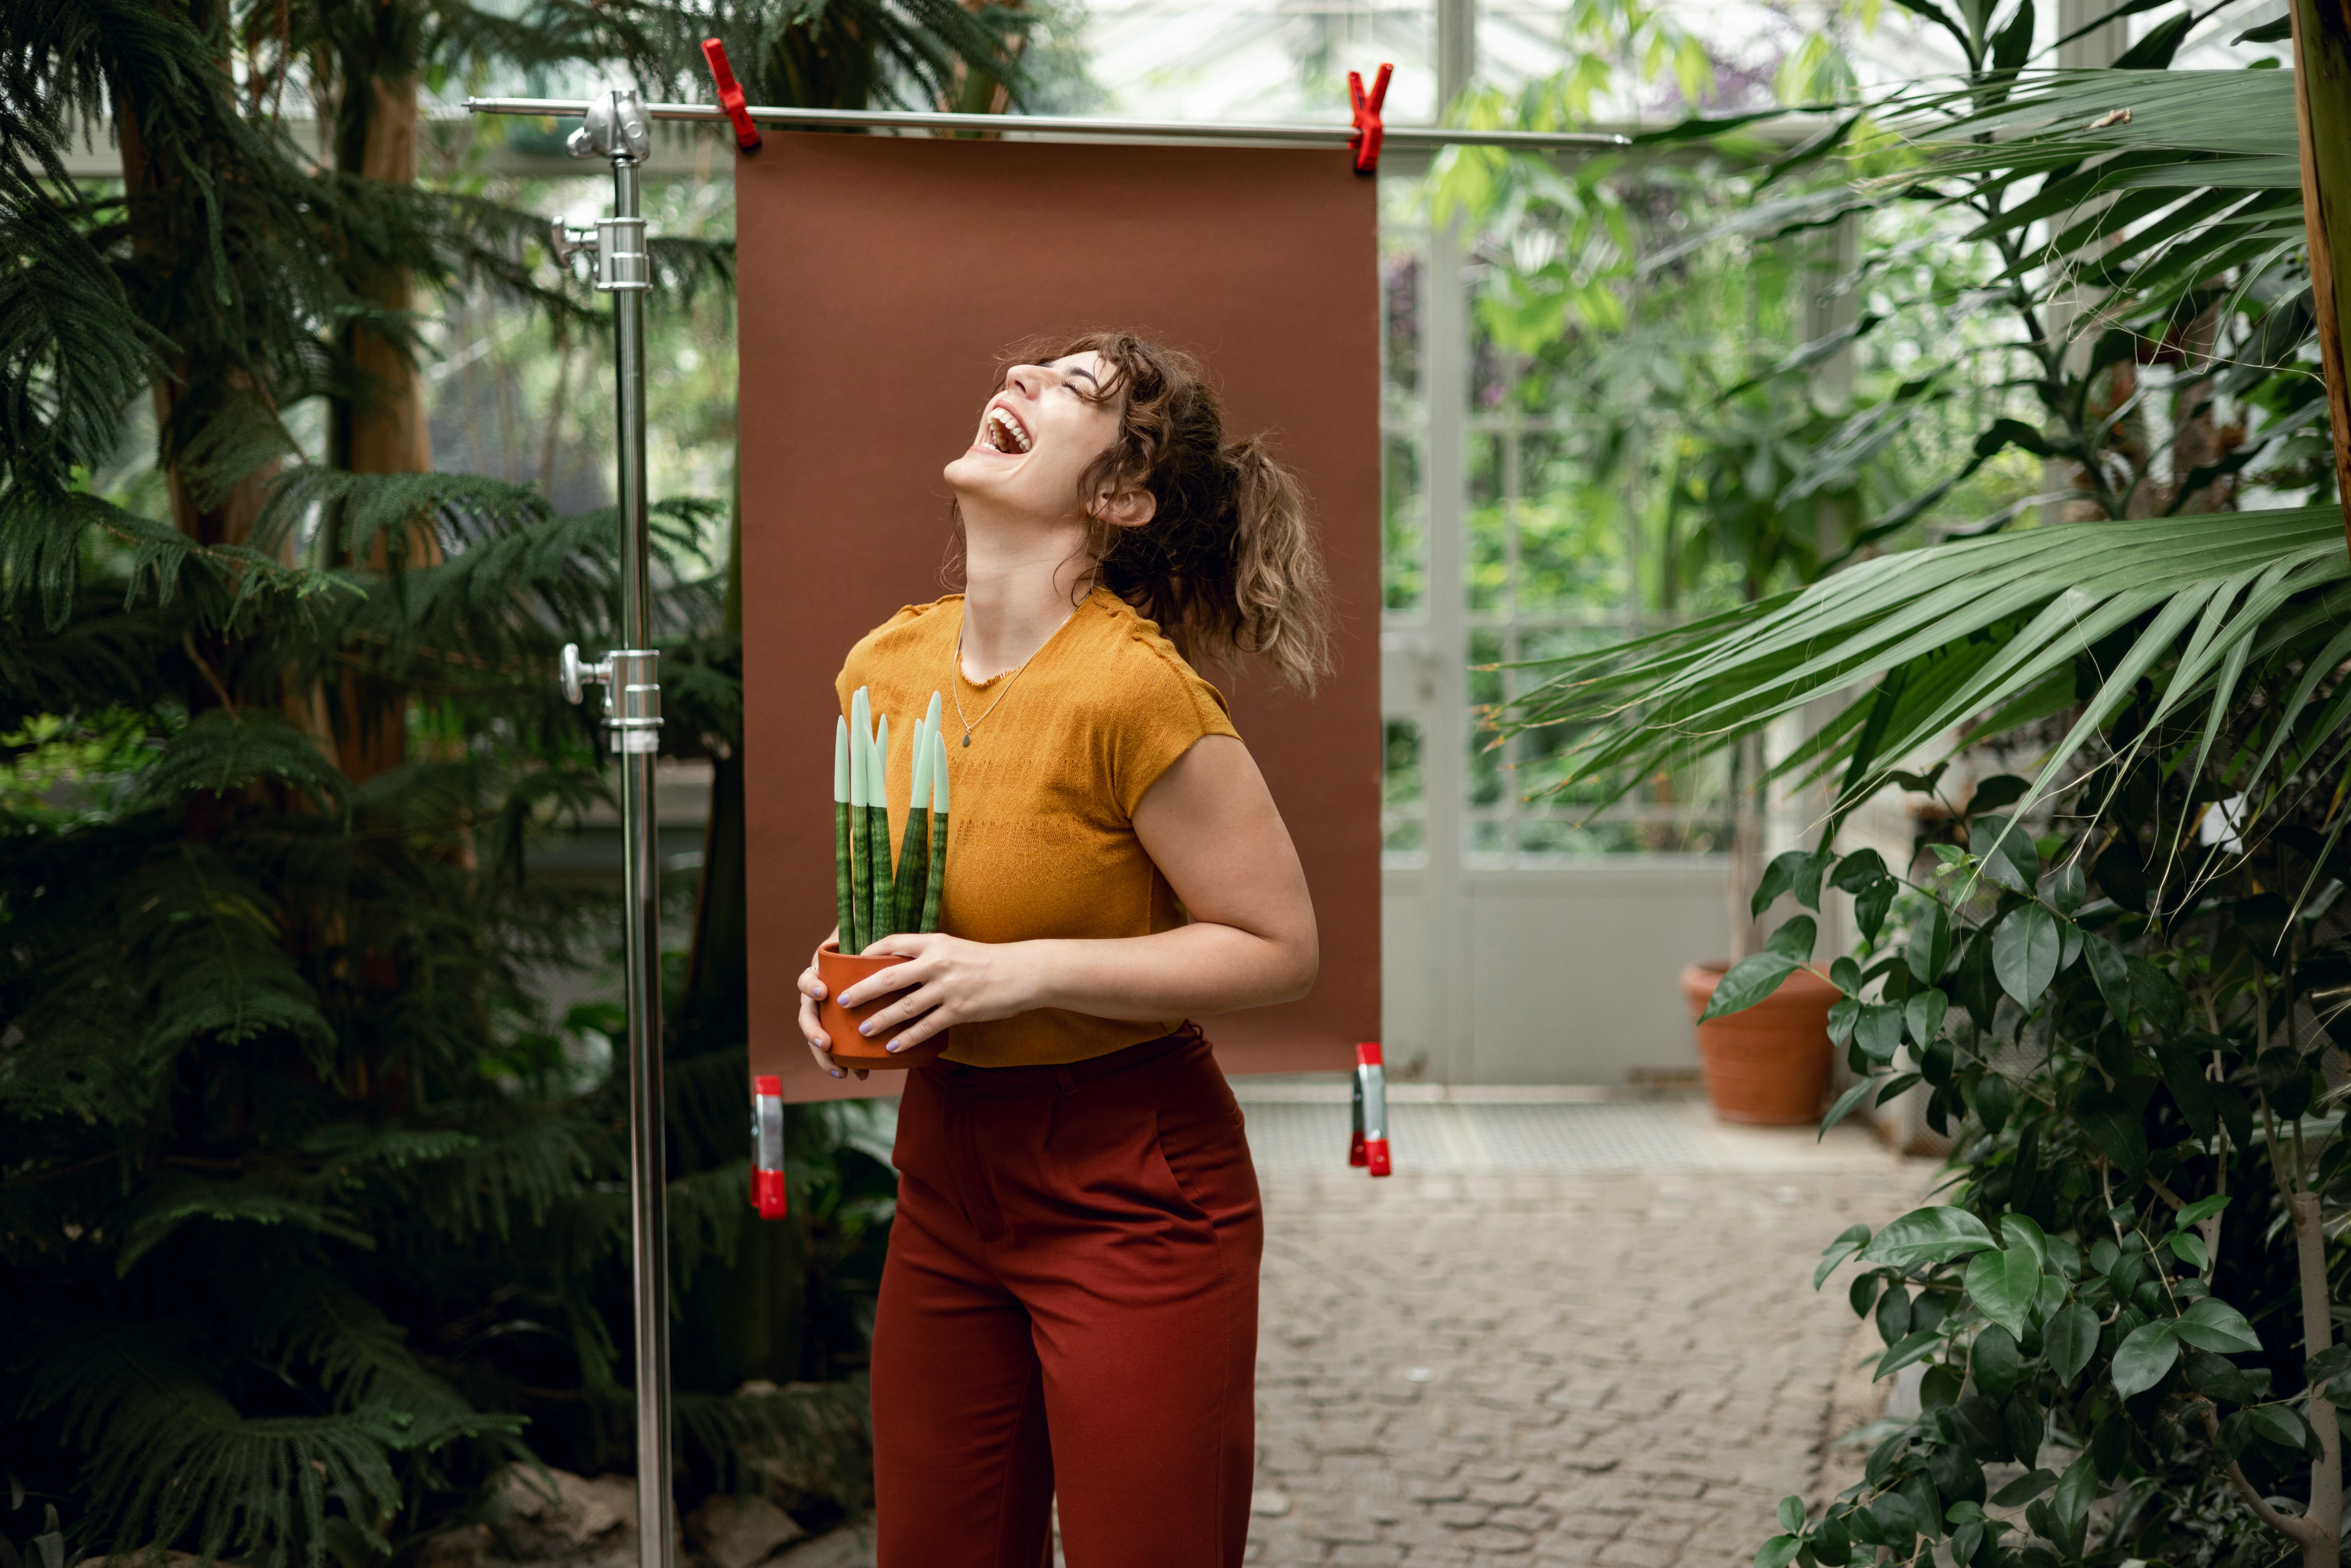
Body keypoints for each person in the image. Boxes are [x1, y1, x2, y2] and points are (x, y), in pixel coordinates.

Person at [795, 331, 1329, 1566]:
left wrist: (1018, 973)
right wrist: (842, 973)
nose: (1021, 380)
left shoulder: (1133, 690)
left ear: (1119, 497)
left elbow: (1276, 945)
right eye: (1030, 368)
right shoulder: (883, 668)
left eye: (1073, 388)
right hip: (944, 1170)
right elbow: (918, 899)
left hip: (1131, 1184)